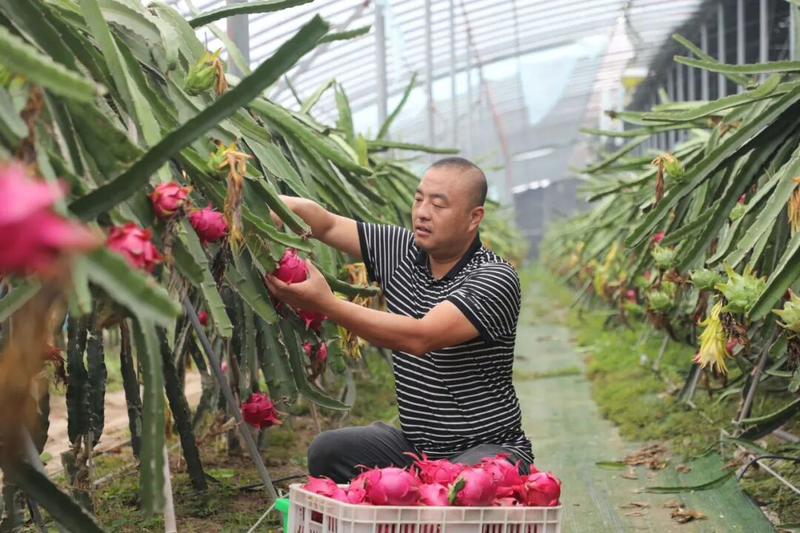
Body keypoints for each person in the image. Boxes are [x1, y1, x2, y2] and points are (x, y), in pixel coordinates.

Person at [265, 157, 532, 483]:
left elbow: (421, 337)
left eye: (439, 204)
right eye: (419, 199)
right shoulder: (400, 249)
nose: (422, 211)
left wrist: (326, 303)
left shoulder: (494, 278)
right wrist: (254, 201)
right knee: (327, 451)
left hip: (488, 449)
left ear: (473, 217)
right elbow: (327, 224)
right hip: (417, 449)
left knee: (461, 487)